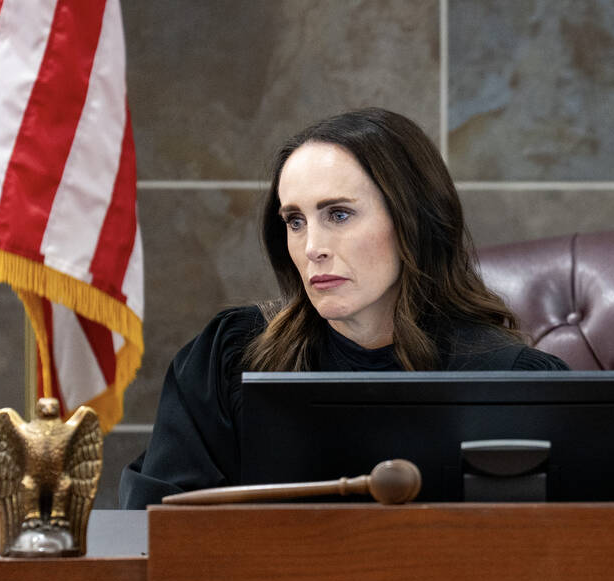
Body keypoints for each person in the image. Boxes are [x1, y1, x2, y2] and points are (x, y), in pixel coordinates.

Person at [120, 108, 568, 508]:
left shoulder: (520, 381)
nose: (312, 247)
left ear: (413, 222)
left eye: (338, 214)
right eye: (295, 221)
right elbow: (157, 529)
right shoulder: (230, 357)